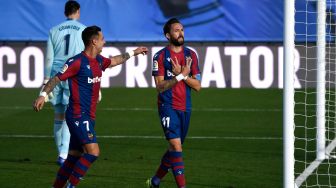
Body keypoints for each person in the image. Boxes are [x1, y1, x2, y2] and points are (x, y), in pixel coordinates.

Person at [33, 25, 148, 188]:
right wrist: (42, 95)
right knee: (93, 152)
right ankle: (70, 186)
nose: (104, 41)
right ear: (94, 41)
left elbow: (115, 61)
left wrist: (134, 52)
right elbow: (57, 78)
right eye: (102, 39)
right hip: (77, 115)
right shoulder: (76, 62)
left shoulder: (99, 61)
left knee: (73, 156)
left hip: (88, 116)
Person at [147, 18, 201, 188]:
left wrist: (183, 75)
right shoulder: (160, 56)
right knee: (175, 146)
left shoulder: (191, 55)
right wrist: (179, 76)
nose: (181, 33)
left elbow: (198, 86)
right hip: (167, 106)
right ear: (167, 35)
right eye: (176, 30)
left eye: (182, 30)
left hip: (185, 107)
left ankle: (155, 180)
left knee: (174, 149)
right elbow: (160, 87)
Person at [42, 0, 86, 166]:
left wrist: (46, 81)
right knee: (71, 114)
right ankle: (63, 154)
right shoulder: (83, 30)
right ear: (78, 11)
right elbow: (86, 56)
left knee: (59, 115)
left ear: (65, 12)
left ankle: (60, 152)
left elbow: (49, 58)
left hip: (56, 77)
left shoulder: (54, 30)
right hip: (73, 75)